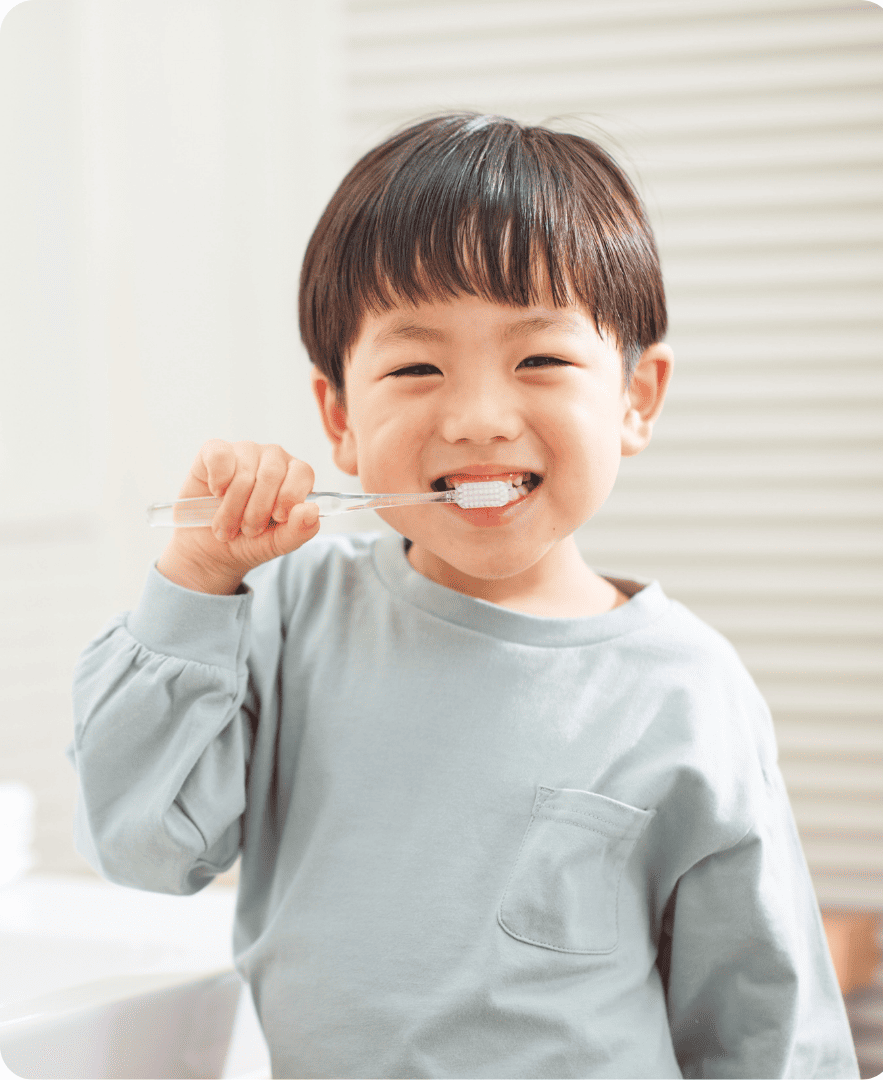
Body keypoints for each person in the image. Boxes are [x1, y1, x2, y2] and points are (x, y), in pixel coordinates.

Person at [70, 113, 859, 1078]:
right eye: (414, 367)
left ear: (635, 400)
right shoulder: (282, 611)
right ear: (339, 419)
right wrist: (196, 579)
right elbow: (141, 848)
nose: (479, 419)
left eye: (541, 359)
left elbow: (762, 1021)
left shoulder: (686, 689)